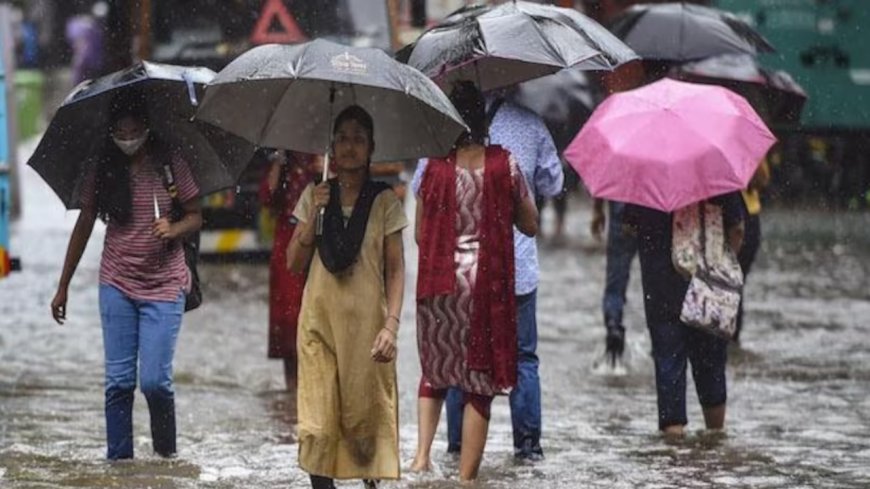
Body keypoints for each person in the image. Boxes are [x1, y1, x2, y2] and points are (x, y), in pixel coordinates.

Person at [50, 94, 202, 460]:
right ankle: (119, 467)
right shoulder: (101, 166)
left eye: (135, 130)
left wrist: (174, 227)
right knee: (118, 383)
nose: (128, 137)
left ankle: (167, 459)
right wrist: (63, 285)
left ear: (147, 129)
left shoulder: (170, 162)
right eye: (121, 131)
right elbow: (85, 223)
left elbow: (196, 216)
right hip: (116, 282)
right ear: (111, 132)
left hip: (165, 284)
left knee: (155, 383)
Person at [411, 95, 562, 462]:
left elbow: (421, 217)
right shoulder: (524, 133)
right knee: (521, 359)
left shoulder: (435, 157)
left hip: (444, 280)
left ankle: (449, 448)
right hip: (508, 275)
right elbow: (551, 189)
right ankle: (527, 450)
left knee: (449, 365)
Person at [286, 106, 406, 489]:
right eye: (342, 138)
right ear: (331, 148)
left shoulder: (384, 200)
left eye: (358, 138)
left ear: (372, 147)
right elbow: (293, 262)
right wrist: (312, 216)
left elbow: (396, 269)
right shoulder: (315, 195)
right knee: (318, 425)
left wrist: (392, 325)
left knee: (364, 423)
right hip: (319, 325)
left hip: (368, 330)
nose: (349, 146)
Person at [623, 193, 744, 437]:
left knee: (669, 369)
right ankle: (715, 445)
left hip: (661, 290)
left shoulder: (647, 176)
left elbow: (628, 226)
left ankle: (673, 460)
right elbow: (738, 228)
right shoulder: (714, 171)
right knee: (711, 368)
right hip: (707, 289)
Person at [258, 150, 320, 393]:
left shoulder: (327, 154)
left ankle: (314, 386)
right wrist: (278, 160)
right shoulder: (283, 160)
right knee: (287, 317)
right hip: (287, 241)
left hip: (320, 241)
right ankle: (292, 390)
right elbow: (268, 197)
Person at [591, 198, 638, 365]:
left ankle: (613, 324)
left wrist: (598, 209)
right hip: (654, 216)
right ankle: (661, 343)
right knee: (656, 288)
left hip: (621, 213)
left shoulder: (621, 169)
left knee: (615, 280)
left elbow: (605, 178)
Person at [735, 159, 770, 343]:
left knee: (732, 283)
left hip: (742, 216)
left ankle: (728, 343)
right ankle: (730, 343)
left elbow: (762, 179)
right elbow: (763, 179)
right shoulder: (745, 136)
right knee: (734, 284)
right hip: (747, 215)